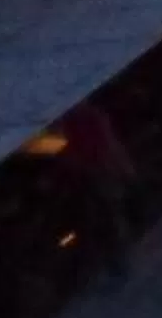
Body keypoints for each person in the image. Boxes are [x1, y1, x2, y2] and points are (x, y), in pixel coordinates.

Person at [52, 101, 138, 281]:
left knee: (107, 218)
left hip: (97, 173)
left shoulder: (89, 118)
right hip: (88, 176)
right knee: (101, 220)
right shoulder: (76, 120)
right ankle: (111, 262)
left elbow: (108, 145)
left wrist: (121, 169)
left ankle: (116, 262)